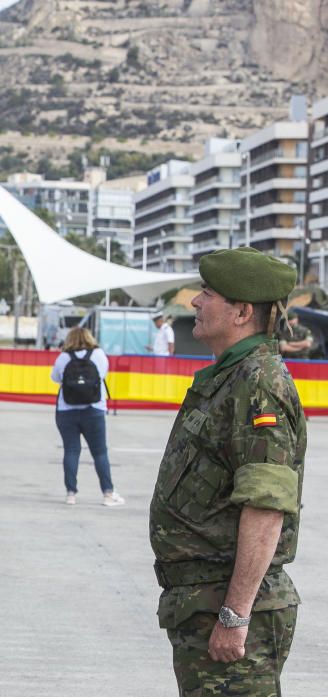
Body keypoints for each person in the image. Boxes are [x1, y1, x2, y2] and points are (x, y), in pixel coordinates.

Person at [149, 247, 305, 696]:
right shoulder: (232, 377)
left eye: (207, 293)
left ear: (241, 311)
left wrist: (236, 616)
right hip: (201, 601)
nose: (195, 302)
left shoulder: (259, 384)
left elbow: (265, 506)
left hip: (232, 607)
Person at [50, 327, 124, 506]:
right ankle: (108, 494)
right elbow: (102, 375)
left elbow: (55, 378)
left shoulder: (63, 357)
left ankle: (71, 494)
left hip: (66, 410)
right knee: (99, 452)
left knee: (71, 450)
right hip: (94, 410)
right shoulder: (99, 355)